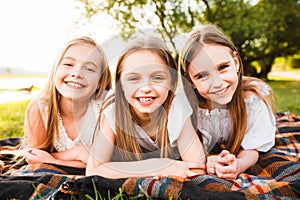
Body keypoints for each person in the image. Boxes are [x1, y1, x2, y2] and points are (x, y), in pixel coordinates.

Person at [86, 36, 206, 179]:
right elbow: (93, 170)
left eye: (157, 78)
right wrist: (157, 167)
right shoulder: (113, 109)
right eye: (133, 79)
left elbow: (197, 168)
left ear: (171, 82)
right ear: (120, 84)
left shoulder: (176, 107)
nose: (146, 88)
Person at [180, 24, 276, 180]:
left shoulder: (252, 100)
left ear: (236, 62)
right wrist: (208, 162)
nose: (217, 83)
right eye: (202, 75)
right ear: (190, 81)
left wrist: (238, 165)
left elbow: (252, 148)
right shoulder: (186, 107)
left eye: (223, 67)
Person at [21, 36, 112, 168]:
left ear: (99, 82)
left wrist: (55, 159)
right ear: (55, 70)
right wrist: (80, 154)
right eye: (69, 64)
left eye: (89, 69)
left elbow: (107, 161)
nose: (77, 73)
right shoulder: (40, 107)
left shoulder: (106, 106)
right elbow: (35, 157)